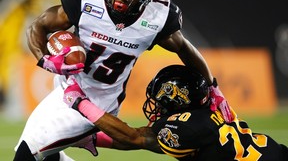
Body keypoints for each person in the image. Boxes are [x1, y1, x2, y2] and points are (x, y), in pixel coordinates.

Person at [14, 0, 232, 161]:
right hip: (66, 86)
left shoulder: (157, 17)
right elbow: (39, 26)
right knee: (38, 149)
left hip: (99, 102)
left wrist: (213, 88)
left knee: (28, 150)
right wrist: (45, 60)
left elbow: (184, 48)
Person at [71, 64, 288, 161]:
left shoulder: (185, 128)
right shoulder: (211, 110)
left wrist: (81, 103)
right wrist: (91, 138)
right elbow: (144, 140)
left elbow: (136, 137)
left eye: (160, 101)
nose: (156, 107)